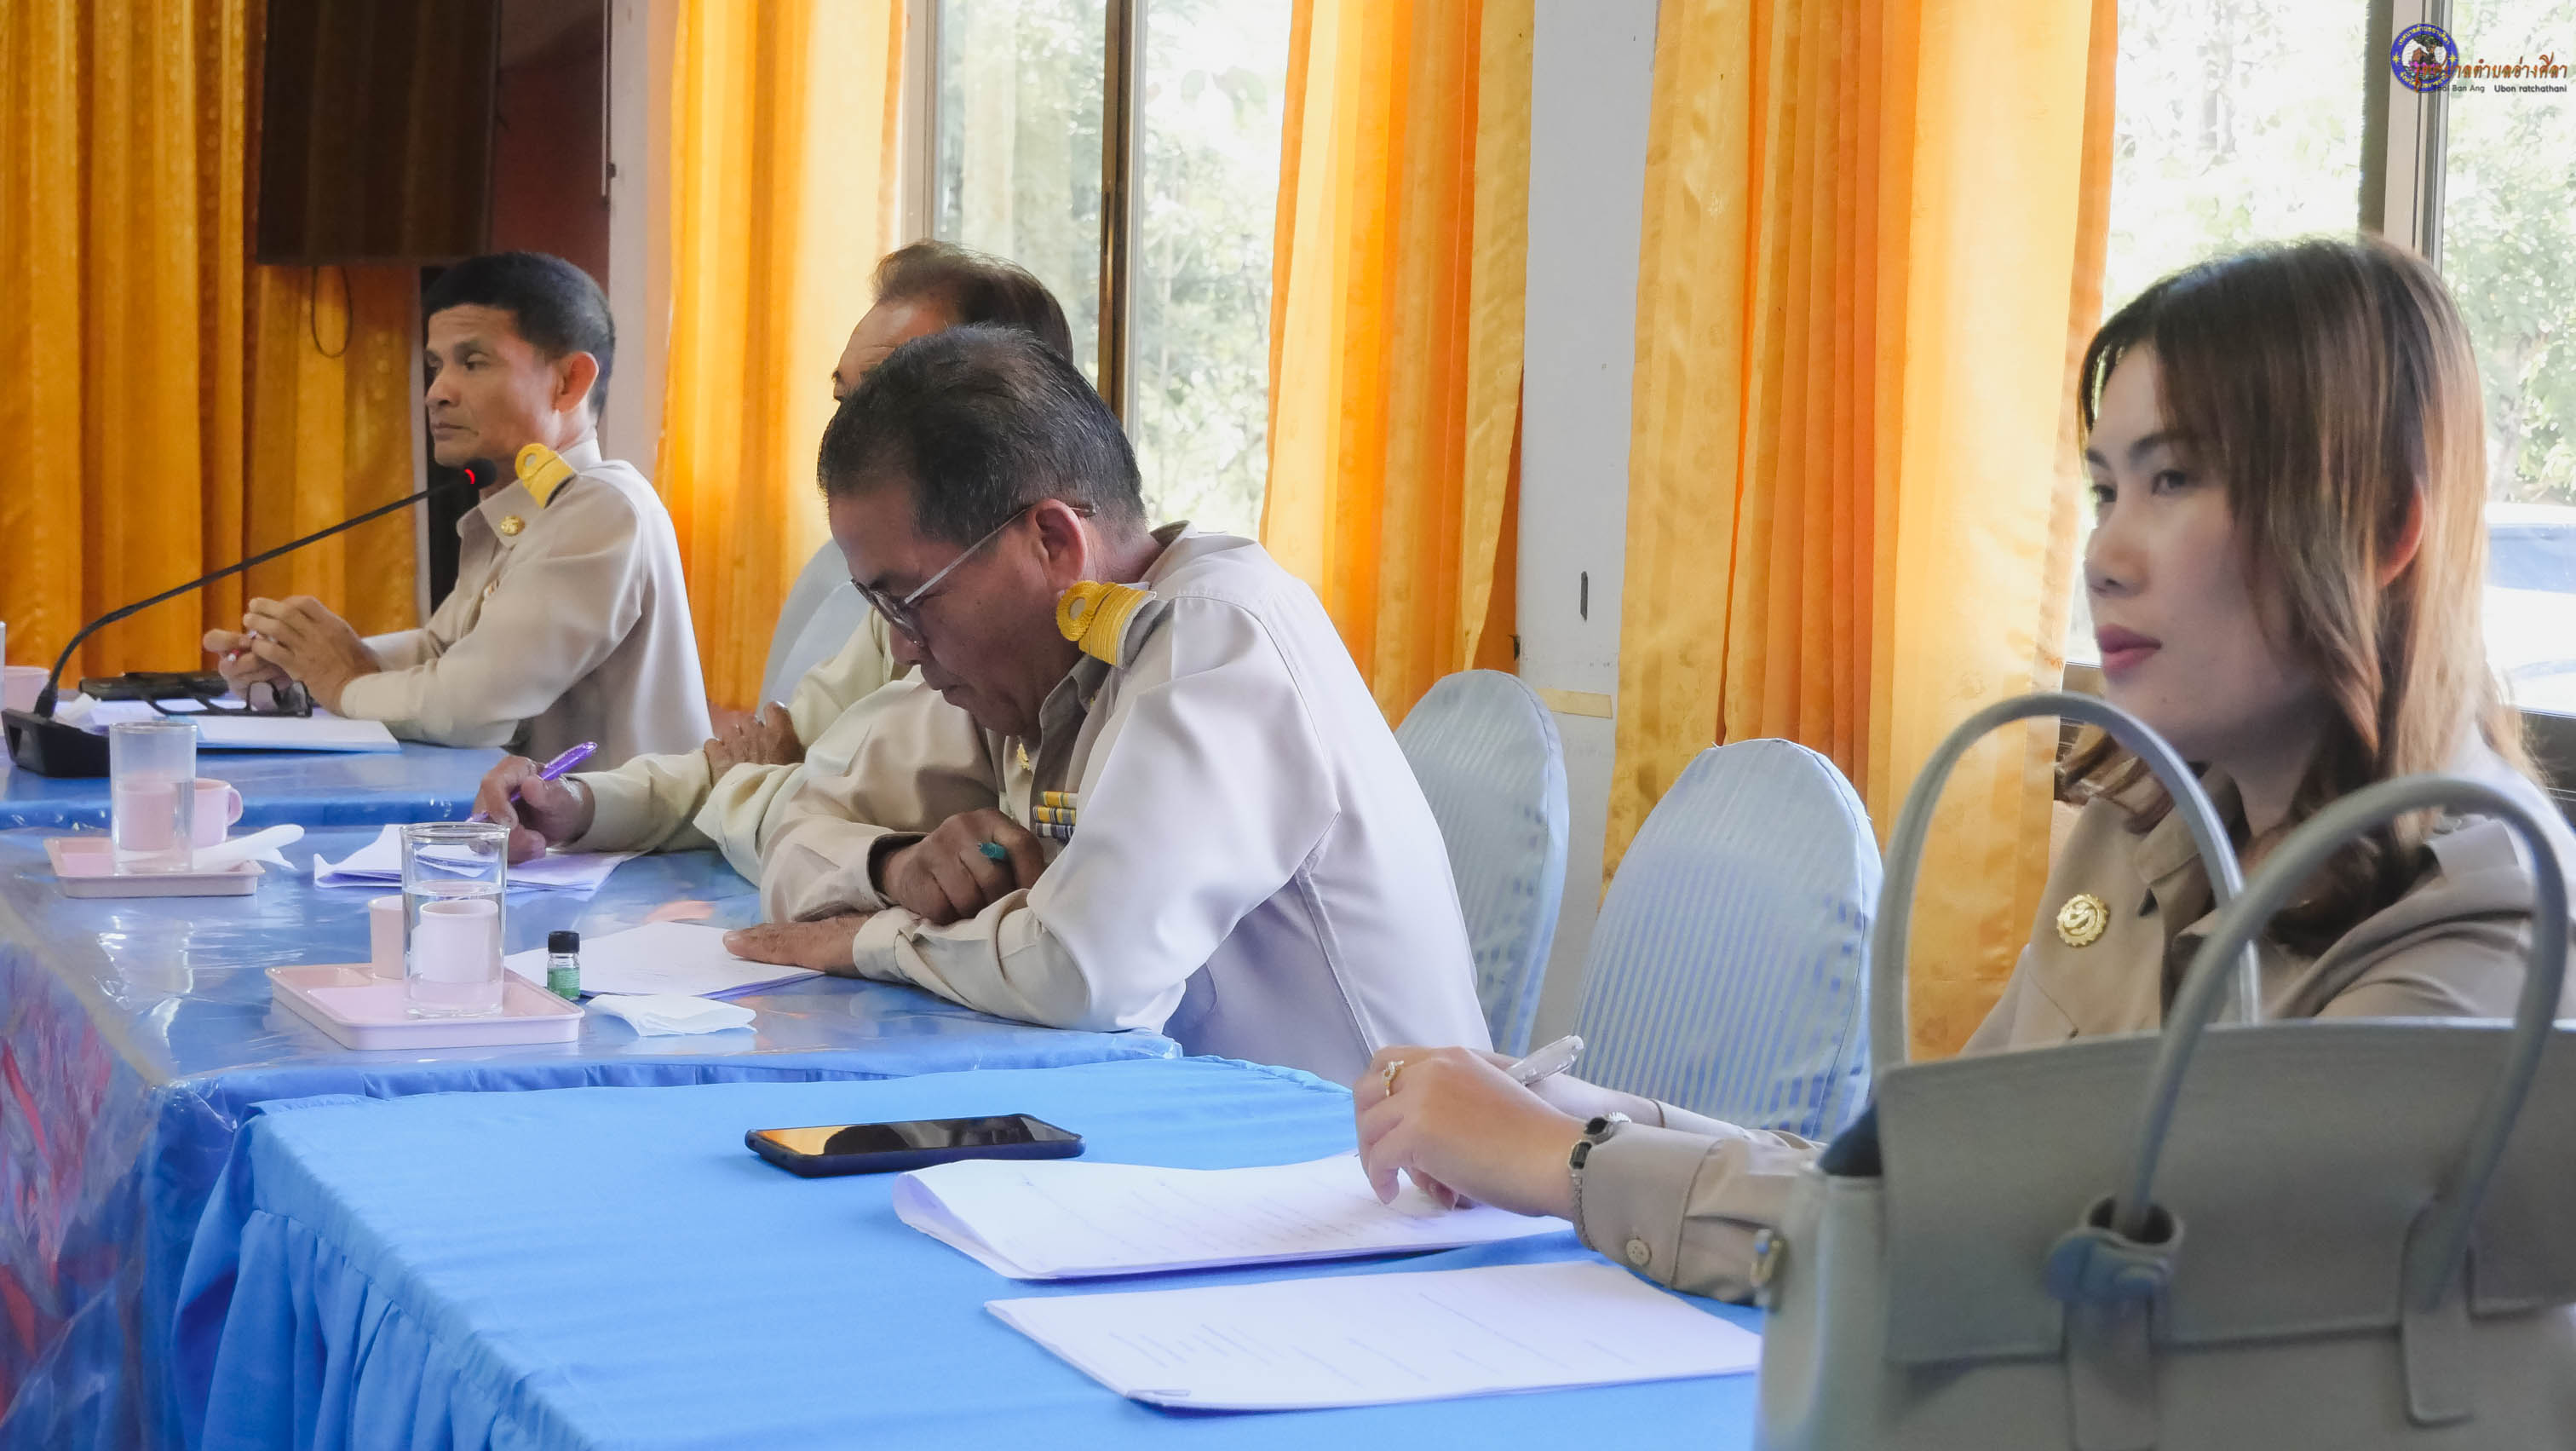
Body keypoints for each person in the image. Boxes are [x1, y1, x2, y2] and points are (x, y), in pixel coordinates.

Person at [1351, 236, 2576, 1301]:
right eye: (2106, 488)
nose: (2105, 554)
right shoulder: (2143, 827)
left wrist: (1565, 1163)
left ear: (2381, 526)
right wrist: (1583, 1118)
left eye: (2174, 480)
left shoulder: (2486, 922)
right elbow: (1916, 1180)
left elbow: (2018, 1268)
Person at [722, 325, 1492, 1084]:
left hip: (1353, 1150)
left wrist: (870, 940)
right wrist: (896, 867)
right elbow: (792, 836)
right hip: (1184, 1131)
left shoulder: (1216, 641)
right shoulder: (1024, 668)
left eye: (909, 600)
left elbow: (1084, 970)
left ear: (1053, 543)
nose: (901, 647)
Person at [471, 243, 1074, 874]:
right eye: (845, 403)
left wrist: (763, 784)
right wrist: (577, 803)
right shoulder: (894, 604)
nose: (847, 441)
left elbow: (819, 813)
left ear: (1007, 409)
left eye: (888, 405)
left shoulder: (1014, 618)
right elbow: (755, 764)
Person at [204, 252, 708, 769]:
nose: (436, 393)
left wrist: (341, 681)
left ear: (569, 382)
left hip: (629, 825)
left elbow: (470, 706)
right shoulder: (519, 508)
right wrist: (302, 663)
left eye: (473, 362)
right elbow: (444, 654)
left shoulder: (603, 508)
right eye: (435, 366)